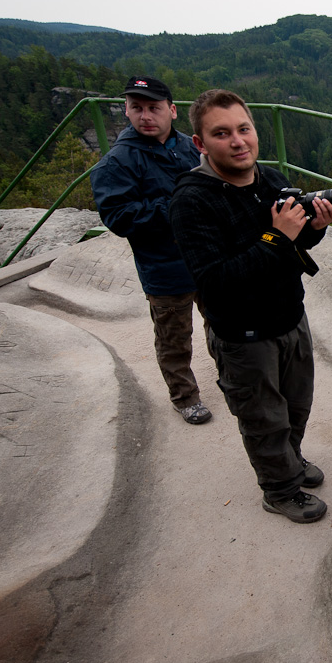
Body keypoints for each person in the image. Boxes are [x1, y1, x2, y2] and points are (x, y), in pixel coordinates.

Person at [169, 89, 332, 523]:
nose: (237, 141)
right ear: (200, 143)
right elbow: (216, 283)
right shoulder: (191, 202)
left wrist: (313, 228)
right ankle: (280, 491)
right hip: (243, 335)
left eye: (243, 129)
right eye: (221, 133)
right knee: (264, 418)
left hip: (290, 318)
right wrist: (277, 236)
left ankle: (291, 461)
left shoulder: (269, 179)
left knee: (296, 406)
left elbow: (291, 248)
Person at [90, 76, 212, 425]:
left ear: (172, 111)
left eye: (153, 108)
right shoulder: (117, 162)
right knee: (174, 338)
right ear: (126, 110)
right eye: (137, 108)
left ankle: (233, 378)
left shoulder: (191, 147)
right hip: (164, 268)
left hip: (208, 258)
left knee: (223, 324)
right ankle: (185, 397)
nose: (145, 116)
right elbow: (119, 217)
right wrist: (176, 207)